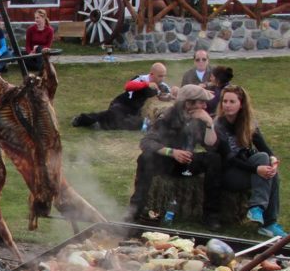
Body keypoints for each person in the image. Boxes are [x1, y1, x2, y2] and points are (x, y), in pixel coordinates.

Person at [124, 85, 222, 230]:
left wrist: (209, 123)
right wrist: (173, 152)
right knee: (145, 158)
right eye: (201, 102)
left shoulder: (201, 118)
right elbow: (146, 142)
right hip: (168, 162)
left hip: (188, 161)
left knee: (214, 159)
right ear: (188, 103)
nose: (205, 106)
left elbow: (211, 145)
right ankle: (134, 210)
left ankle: (211, 216)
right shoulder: (168, 117)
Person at [214, 85, 285, 237]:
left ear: (241, 104)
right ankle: (267, 220)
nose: (227, 105)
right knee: (267, 172)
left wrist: (273, 161)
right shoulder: (218, 125)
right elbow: (230, 159)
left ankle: (260, 213)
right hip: (228, 173)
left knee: (267, 163)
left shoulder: (248, 123)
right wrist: (256, 170)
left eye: (232, 101)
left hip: (246, 168)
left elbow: (263, 147)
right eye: (225, 101)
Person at [72, 62, 172, 131]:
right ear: (152, 74)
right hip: (122, 104)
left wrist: (170, 96)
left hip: (135, 111)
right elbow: (128, 86)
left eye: (164, 76)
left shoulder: (162, 86)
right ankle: (82, 119)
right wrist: (146, 84)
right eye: (160, 76)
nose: (162, 79)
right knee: (113, 116)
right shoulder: (141, 79)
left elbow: (169, 94)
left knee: (136, 123)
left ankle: (101, 124)